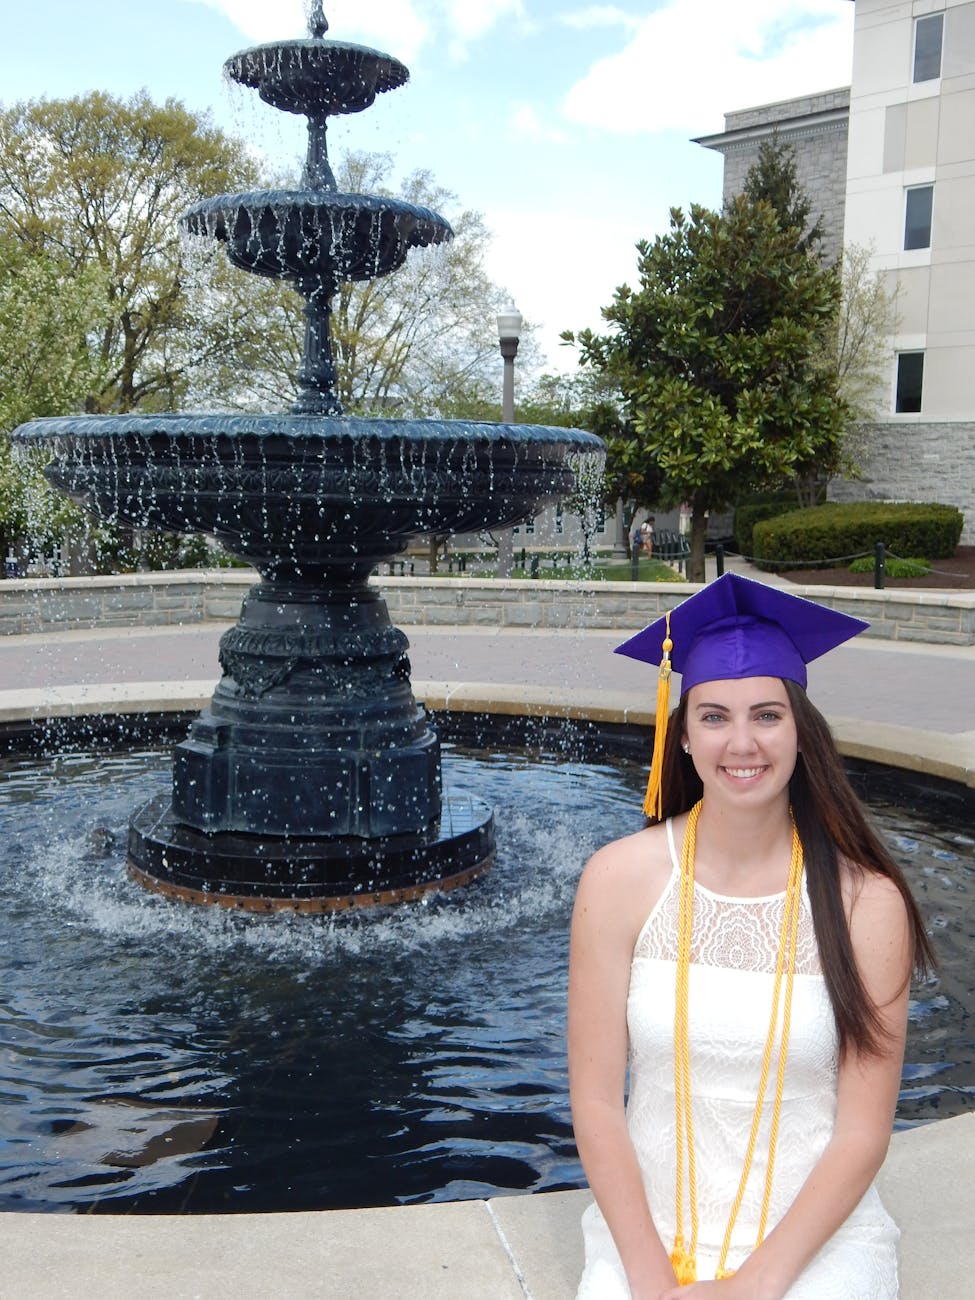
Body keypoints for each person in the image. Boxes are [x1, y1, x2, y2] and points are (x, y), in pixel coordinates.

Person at [568, 573, 933, 1299]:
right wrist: (648, 1280)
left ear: (802, 731)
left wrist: (753, 1287)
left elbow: (861, 1132)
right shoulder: (618, 880)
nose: (741, 743)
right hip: (650, 1229)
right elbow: (597, 1102)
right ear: (681, 735)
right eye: (712, 716)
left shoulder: (865, 902)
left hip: (814, 1237)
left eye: (765, 715)